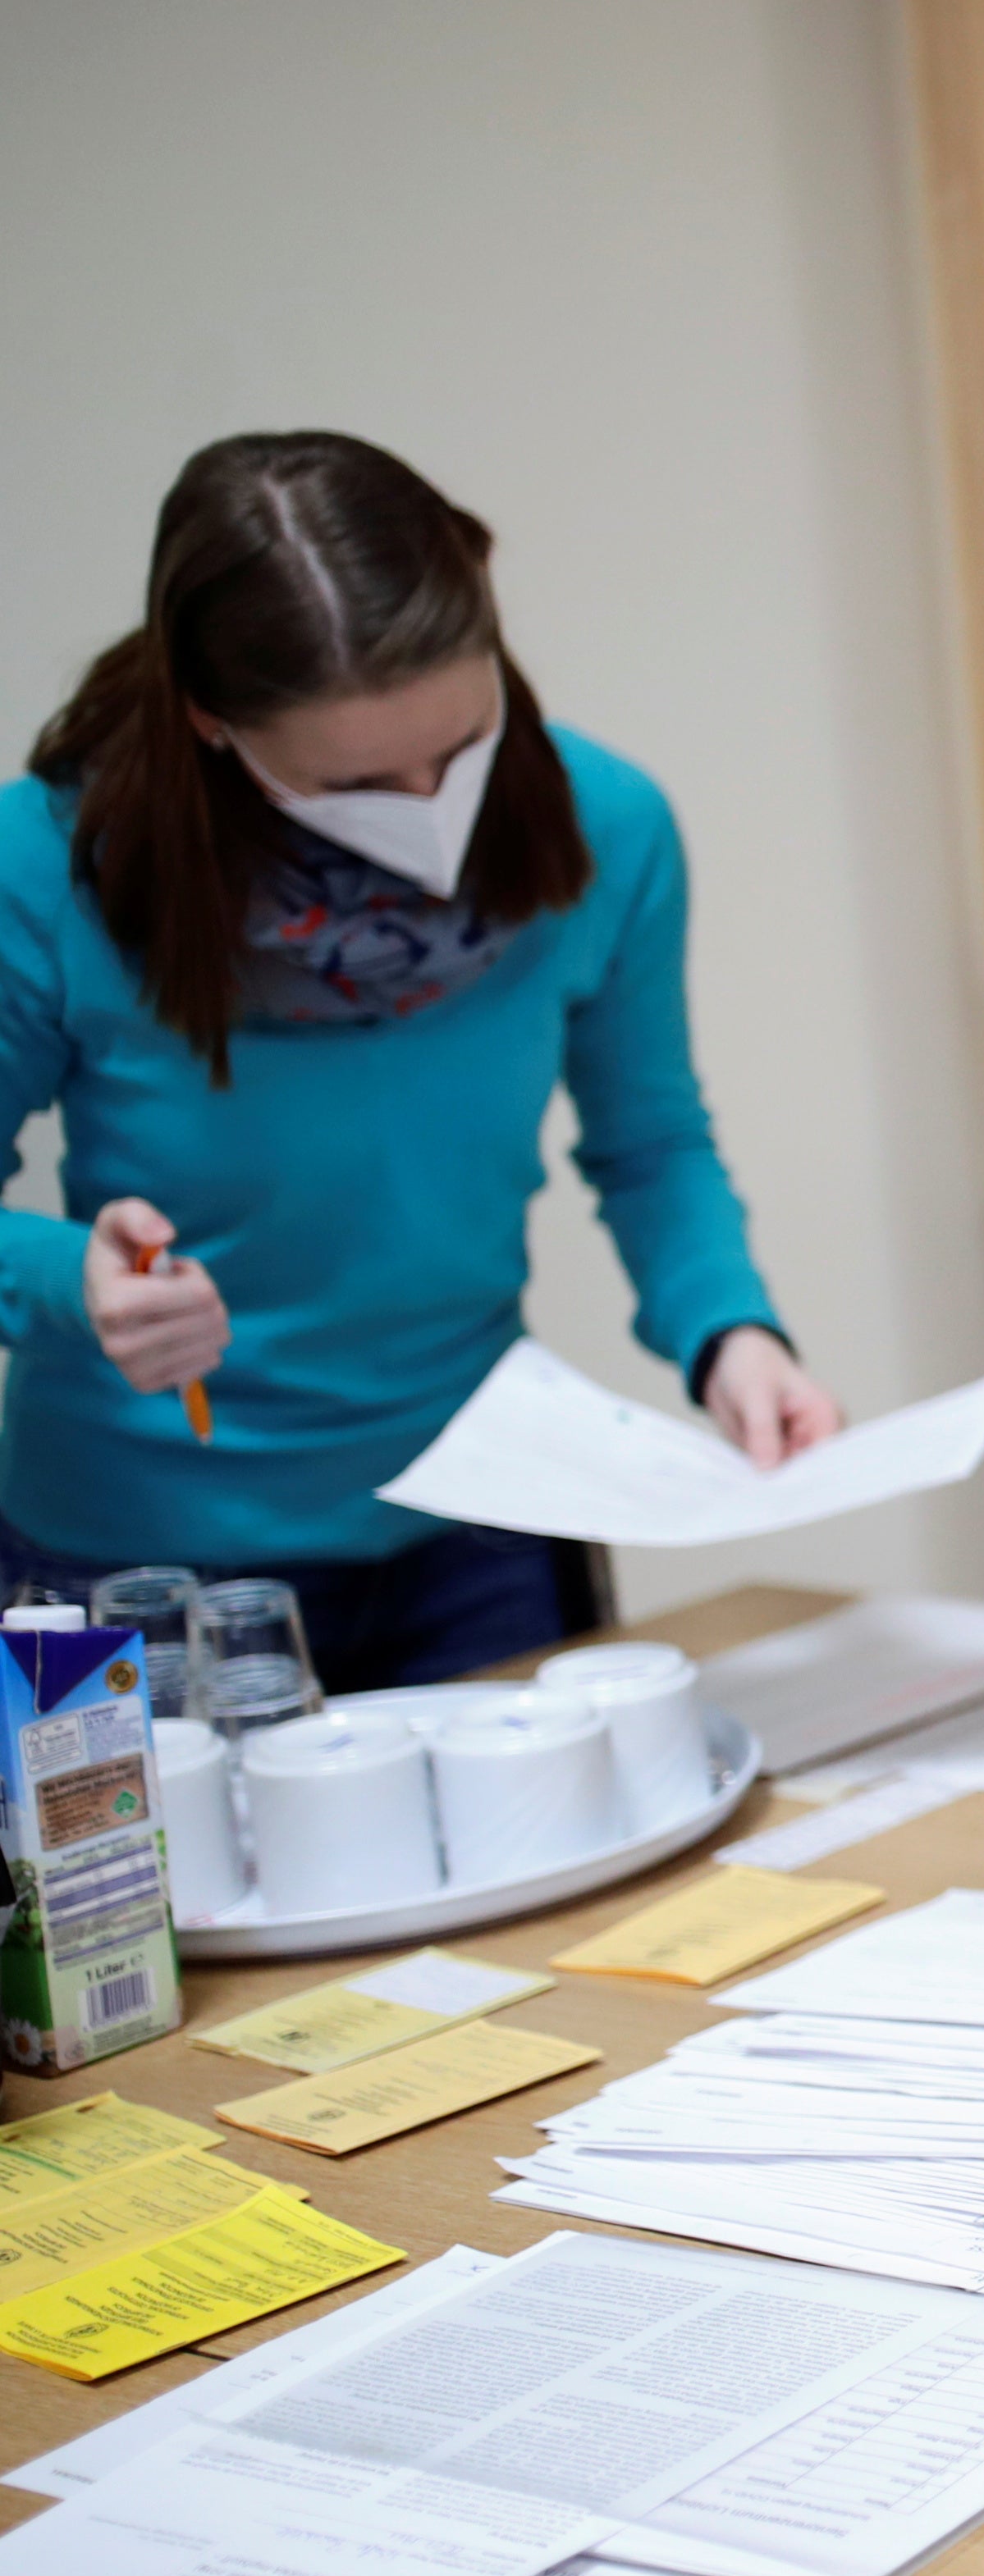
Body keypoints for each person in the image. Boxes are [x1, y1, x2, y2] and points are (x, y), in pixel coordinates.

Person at [0, 432, 841, 1687]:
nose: (429, 804)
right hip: (135, 1567)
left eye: (463, 744)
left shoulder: (608, 828)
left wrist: (731, 1333)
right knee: (148, 1896)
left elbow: (652, 1142)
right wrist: (81, 1281)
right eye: (359, 782)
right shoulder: (49, 865)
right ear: (208, 720)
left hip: (487, 1526)